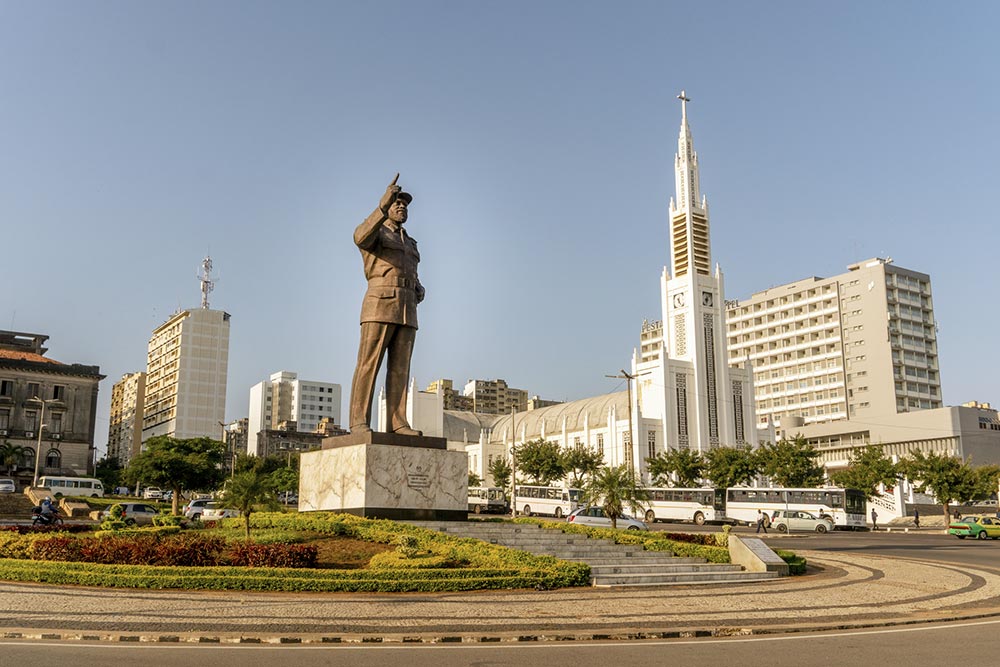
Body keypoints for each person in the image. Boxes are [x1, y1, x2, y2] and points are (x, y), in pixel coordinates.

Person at [349, 174, 425, 436]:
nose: (402, 206)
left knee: (400, 369)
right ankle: (359, 421)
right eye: (397, 203)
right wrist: (381, 207)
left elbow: (408, 268)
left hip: (407, 307)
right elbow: (359, 238)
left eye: (405, 204)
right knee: (368, 364)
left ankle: (398, 422)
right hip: (380, 304)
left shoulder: (410, 242)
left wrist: (418, 286)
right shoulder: (376, 232)